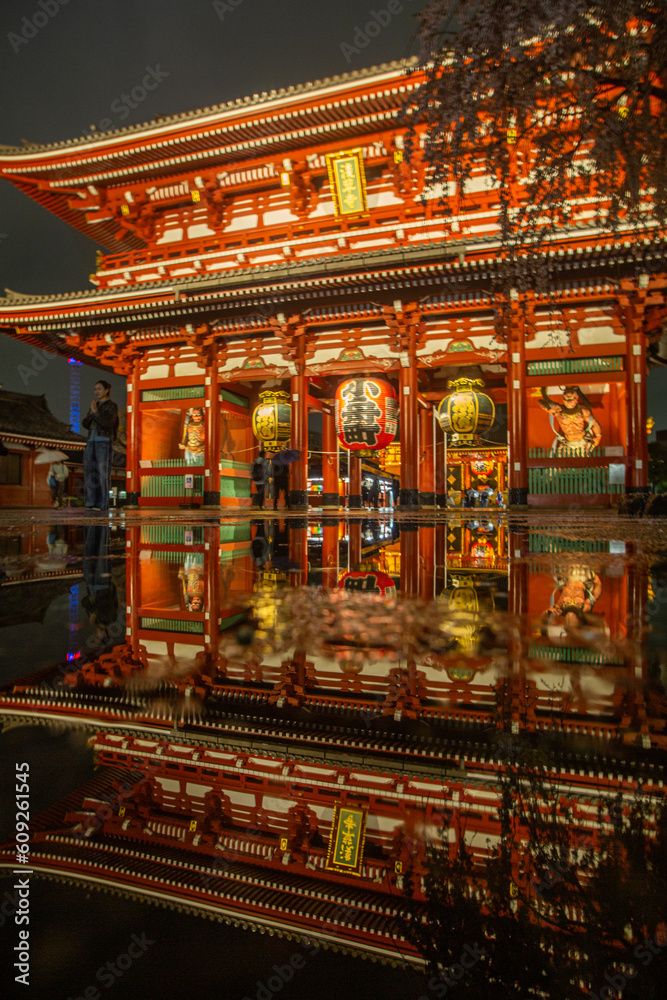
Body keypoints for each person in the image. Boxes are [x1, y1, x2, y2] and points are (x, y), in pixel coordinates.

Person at [82, 380, 119, 511]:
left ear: (106, 390)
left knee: (102, 472)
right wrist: (92, 413)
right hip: (91, 441)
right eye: (95, 389)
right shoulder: (95, 405)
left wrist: (96, 412)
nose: (96, 392)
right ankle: (91, 503)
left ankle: (103, 504)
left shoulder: (111, 406)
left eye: (99, 389)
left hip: (103, 441)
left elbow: (108, 422)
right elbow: (85, 423)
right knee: (89, 472)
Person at [538, 385, 602, 456]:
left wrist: (598, 436)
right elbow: (541, 402)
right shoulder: (558, 409)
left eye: (571, 399)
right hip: (567, 443)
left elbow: (593, 423)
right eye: (566, 399)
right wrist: (548, 409)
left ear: (576, 399)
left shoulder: (582, 410)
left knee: (583, 464)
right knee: (565, 464)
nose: (569, 402)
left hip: (583, 442)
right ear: (562, 398)